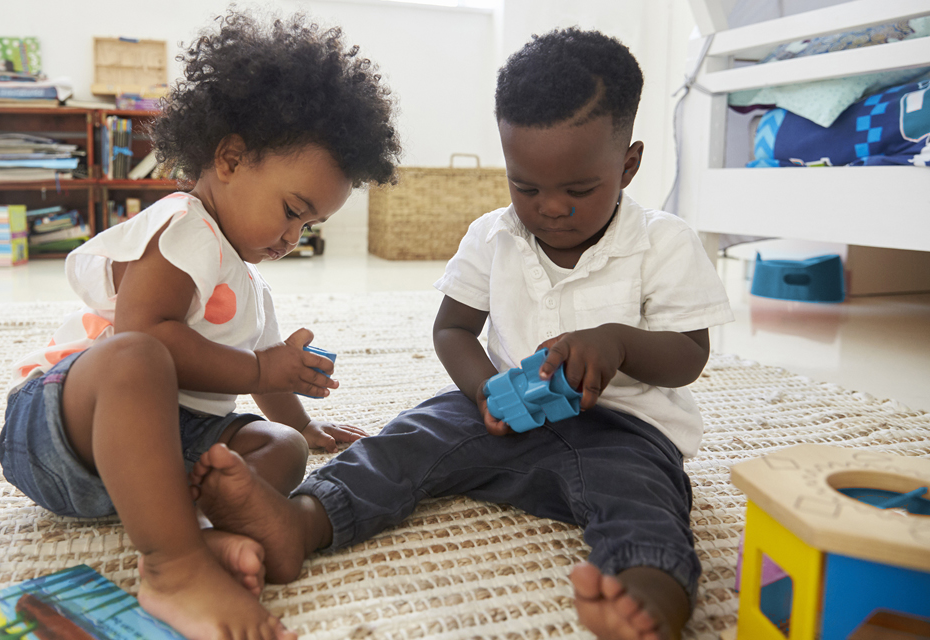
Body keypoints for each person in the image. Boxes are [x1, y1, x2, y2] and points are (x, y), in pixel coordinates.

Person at [189, 28, 733, 640]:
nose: (550, 207)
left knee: (647, 502)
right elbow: (453, 328)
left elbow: (690, 354)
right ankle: (302, 522)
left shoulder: (663, 241)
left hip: (624, 433)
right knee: (407, 439)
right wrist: (483, 392)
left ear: (628, 165)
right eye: (525, 186)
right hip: (499, 418)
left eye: (579, 190)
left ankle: (647, 600)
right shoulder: (493, 236)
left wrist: (618, 342)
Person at [0, 10, 401, 640]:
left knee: (279, 449)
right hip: (67, 430)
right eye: (293, 212)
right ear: (231, 157)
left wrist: (303, 423)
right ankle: (175, 567)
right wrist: (261, 367)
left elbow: (266, 377)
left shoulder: (250, 284)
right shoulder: (184, 225)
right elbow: (144, 332)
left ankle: (203, 530)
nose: (293, 238)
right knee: (137, 360)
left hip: (167, 450)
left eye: (308, 228)